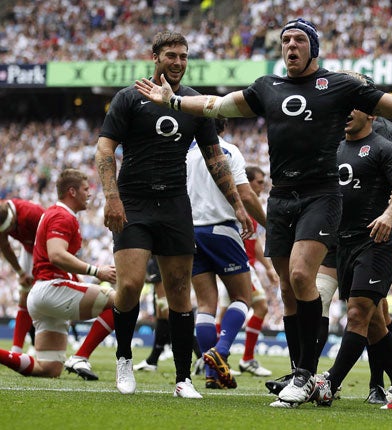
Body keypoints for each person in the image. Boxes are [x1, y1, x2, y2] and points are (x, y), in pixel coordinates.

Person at [135, 17, 392, 407]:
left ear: (313, 48)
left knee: (303, 275)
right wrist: (171, 101)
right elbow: (215, 105)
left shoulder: (340, 85)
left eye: (299, 40)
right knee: (288, 291)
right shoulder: (266, 87)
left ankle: (308, 375)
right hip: (281, 197)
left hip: (321, 196)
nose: (290, 46)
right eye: (285, 40)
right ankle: (300, 370)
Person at [95, 31, 252, 398]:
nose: (178, 62)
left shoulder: (195, 103)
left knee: (181, 292)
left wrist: (239, 204)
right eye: (171, 55)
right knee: (130, 285)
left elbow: (215, 156)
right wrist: (111, 198)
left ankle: (183, 378)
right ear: (155, 57)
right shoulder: (129, 97)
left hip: (176, 206)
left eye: (183, 56)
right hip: (133, 203)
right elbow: (105, 149)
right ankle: (123, 358)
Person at [310, 104, 392, 410]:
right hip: (342, 243)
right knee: (373, 323)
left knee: (359, 313)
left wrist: (391, 217)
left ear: (371, 113)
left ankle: (329, 382)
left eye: (354, 105)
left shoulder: (387, 146)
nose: (346, 110)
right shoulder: (334, 146)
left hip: (376, 240)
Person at [0, 169, 117, 380]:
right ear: (72, 192)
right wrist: (96, 271)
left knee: (48, 369)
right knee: (121, 301)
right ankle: (80, 356)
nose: (89, 193)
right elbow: (56, 255)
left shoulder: (54, 214)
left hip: (41, 294)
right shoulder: (62, 216)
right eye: (85, 189)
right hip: (51, 289)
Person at [186, 119, 266, 390]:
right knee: (243, 297)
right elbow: (246, 195)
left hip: (191, 234)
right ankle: (220, 351)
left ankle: (212, 374)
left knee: (206, 305)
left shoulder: (185, 152)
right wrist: (268, 224)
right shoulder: (229, 150)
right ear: (224, 124)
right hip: (222, 229)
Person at [237, 165, 277, 377]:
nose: (263, 186)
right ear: (249, 181)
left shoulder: (252, 207)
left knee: (222, 310)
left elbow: (255, 242)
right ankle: (246, 359)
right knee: (260, 305)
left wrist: (268, 267)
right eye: (259, 182)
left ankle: (210, 359)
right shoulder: (240, 203)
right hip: (238, 263)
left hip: (246, 263)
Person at [0, 198, 45, 353]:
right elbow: (5, 246)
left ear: (13, 215)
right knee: (24, 296)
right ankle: (16, 349)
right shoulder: (2, 217)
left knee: (43, 296)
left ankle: (41, 345)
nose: (9, 231)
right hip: (28, 250)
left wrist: (40, 269)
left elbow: (50, 240)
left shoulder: (33, 213)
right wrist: (21, 272)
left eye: (11, 227)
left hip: (47, 250)